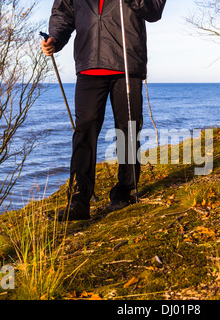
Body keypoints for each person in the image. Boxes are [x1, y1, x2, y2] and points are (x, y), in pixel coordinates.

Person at [42, 0, 166, 220]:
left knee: (127, 129)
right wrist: (55, 39)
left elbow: (154, 10)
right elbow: (63, 14)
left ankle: (123, 192)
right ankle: (79, 201)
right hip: (89, 65)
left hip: (126, 63)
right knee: (83, 132)